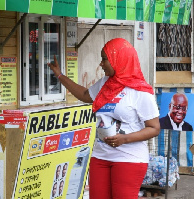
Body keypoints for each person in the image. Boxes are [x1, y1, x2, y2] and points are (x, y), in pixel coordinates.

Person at [48, 38, 160, 199]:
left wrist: (124, 139)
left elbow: (154, 128)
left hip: (129, 158)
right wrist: (59, 75)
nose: (101, 64)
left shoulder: (141, 91)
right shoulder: (105, 83)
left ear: (118, 59)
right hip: (100, 155)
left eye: (104, 59)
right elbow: (85, 95)